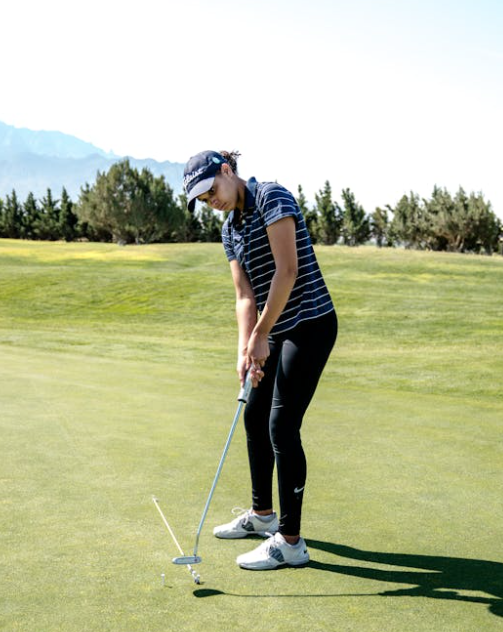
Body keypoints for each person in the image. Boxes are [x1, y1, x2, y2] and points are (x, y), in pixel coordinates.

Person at [183, 150, 337, 571]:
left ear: (227, 171)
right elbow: (244, 296)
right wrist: (245, 349)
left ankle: (290, 542)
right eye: (204, 199)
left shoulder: (272, 197)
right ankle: (263, 515)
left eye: (212, 190)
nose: (212, 201)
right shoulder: (230, 229)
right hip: (272, 330)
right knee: (254, 414)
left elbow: (287, 271)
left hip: (309, 323)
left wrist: (261, 335)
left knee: (282, 426)